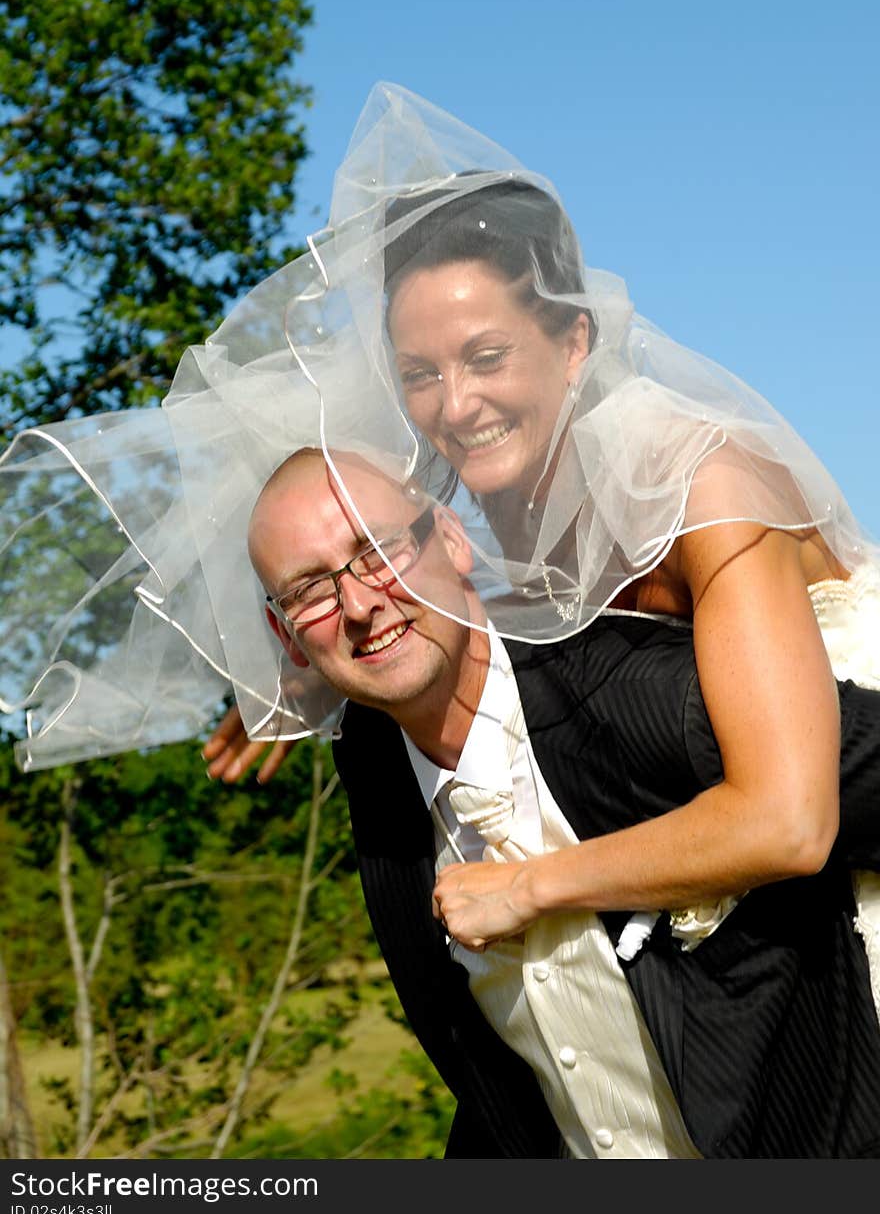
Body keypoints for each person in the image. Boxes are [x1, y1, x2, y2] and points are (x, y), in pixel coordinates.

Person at [203, 84, 878, 979]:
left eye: (487, 357)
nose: (455, 404)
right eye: (419, 373)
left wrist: (532, 885)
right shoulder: (501, 489)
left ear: (572, 343)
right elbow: (473, 615)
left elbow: (789, 820)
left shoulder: (707, 485)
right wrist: (316, 670)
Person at [246, 444, 880, 1158]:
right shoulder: (377, 776)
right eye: (310, 591)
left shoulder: (637, 697)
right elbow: (500, 1086)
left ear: (452, 538)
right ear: (286, 635)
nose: (359, 603)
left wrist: (535, 884)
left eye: (377, 550)